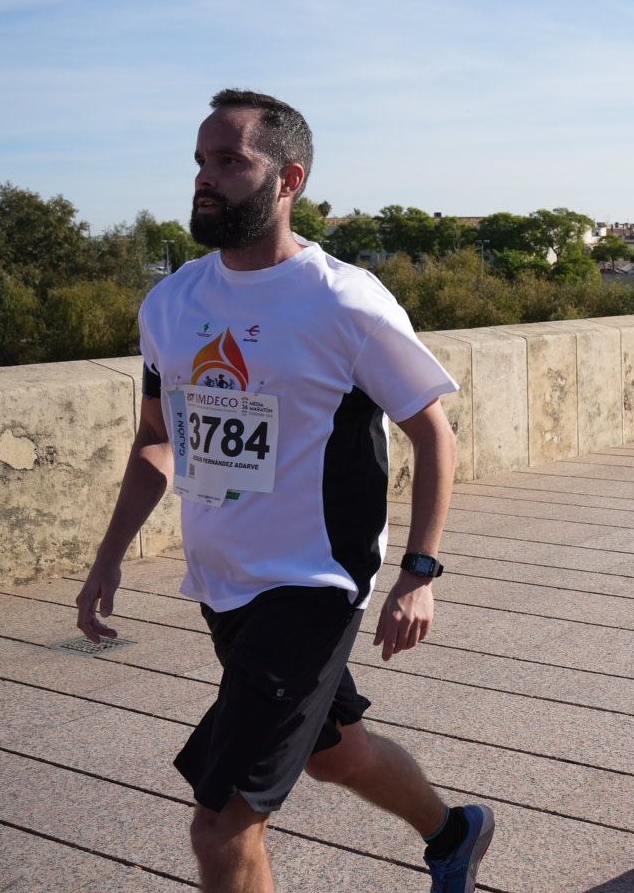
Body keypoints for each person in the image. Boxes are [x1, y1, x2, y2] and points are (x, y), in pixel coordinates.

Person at [73, 90, 494, 893]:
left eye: (231, 161)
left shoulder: (341, 299)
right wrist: (108, 558)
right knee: (336, 751)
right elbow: (158, 438)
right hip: (222, 582)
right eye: (201, 160)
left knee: (223, 824)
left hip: (313, 585)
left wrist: (420, 572)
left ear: (288, 179)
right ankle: (453, 832)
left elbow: (432, 432)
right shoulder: (170, 303)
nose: (207, 178)